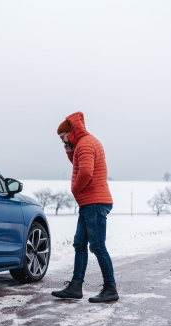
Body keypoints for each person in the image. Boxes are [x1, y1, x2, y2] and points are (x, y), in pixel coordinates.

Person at [51, 112, 119, 302]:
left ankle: (110, 288)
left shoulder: (86, 143)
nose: (62, 141)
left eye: (63, 137)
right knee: (79, 244)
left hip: (94, 202)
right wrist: (69, 149)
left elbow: (86, 171)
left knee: (97, 246)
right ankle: (75, 286)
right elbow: (78, 163)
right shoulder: (82, 144)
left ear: (70, 132)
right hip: (90, 201)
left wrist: (75, 190)